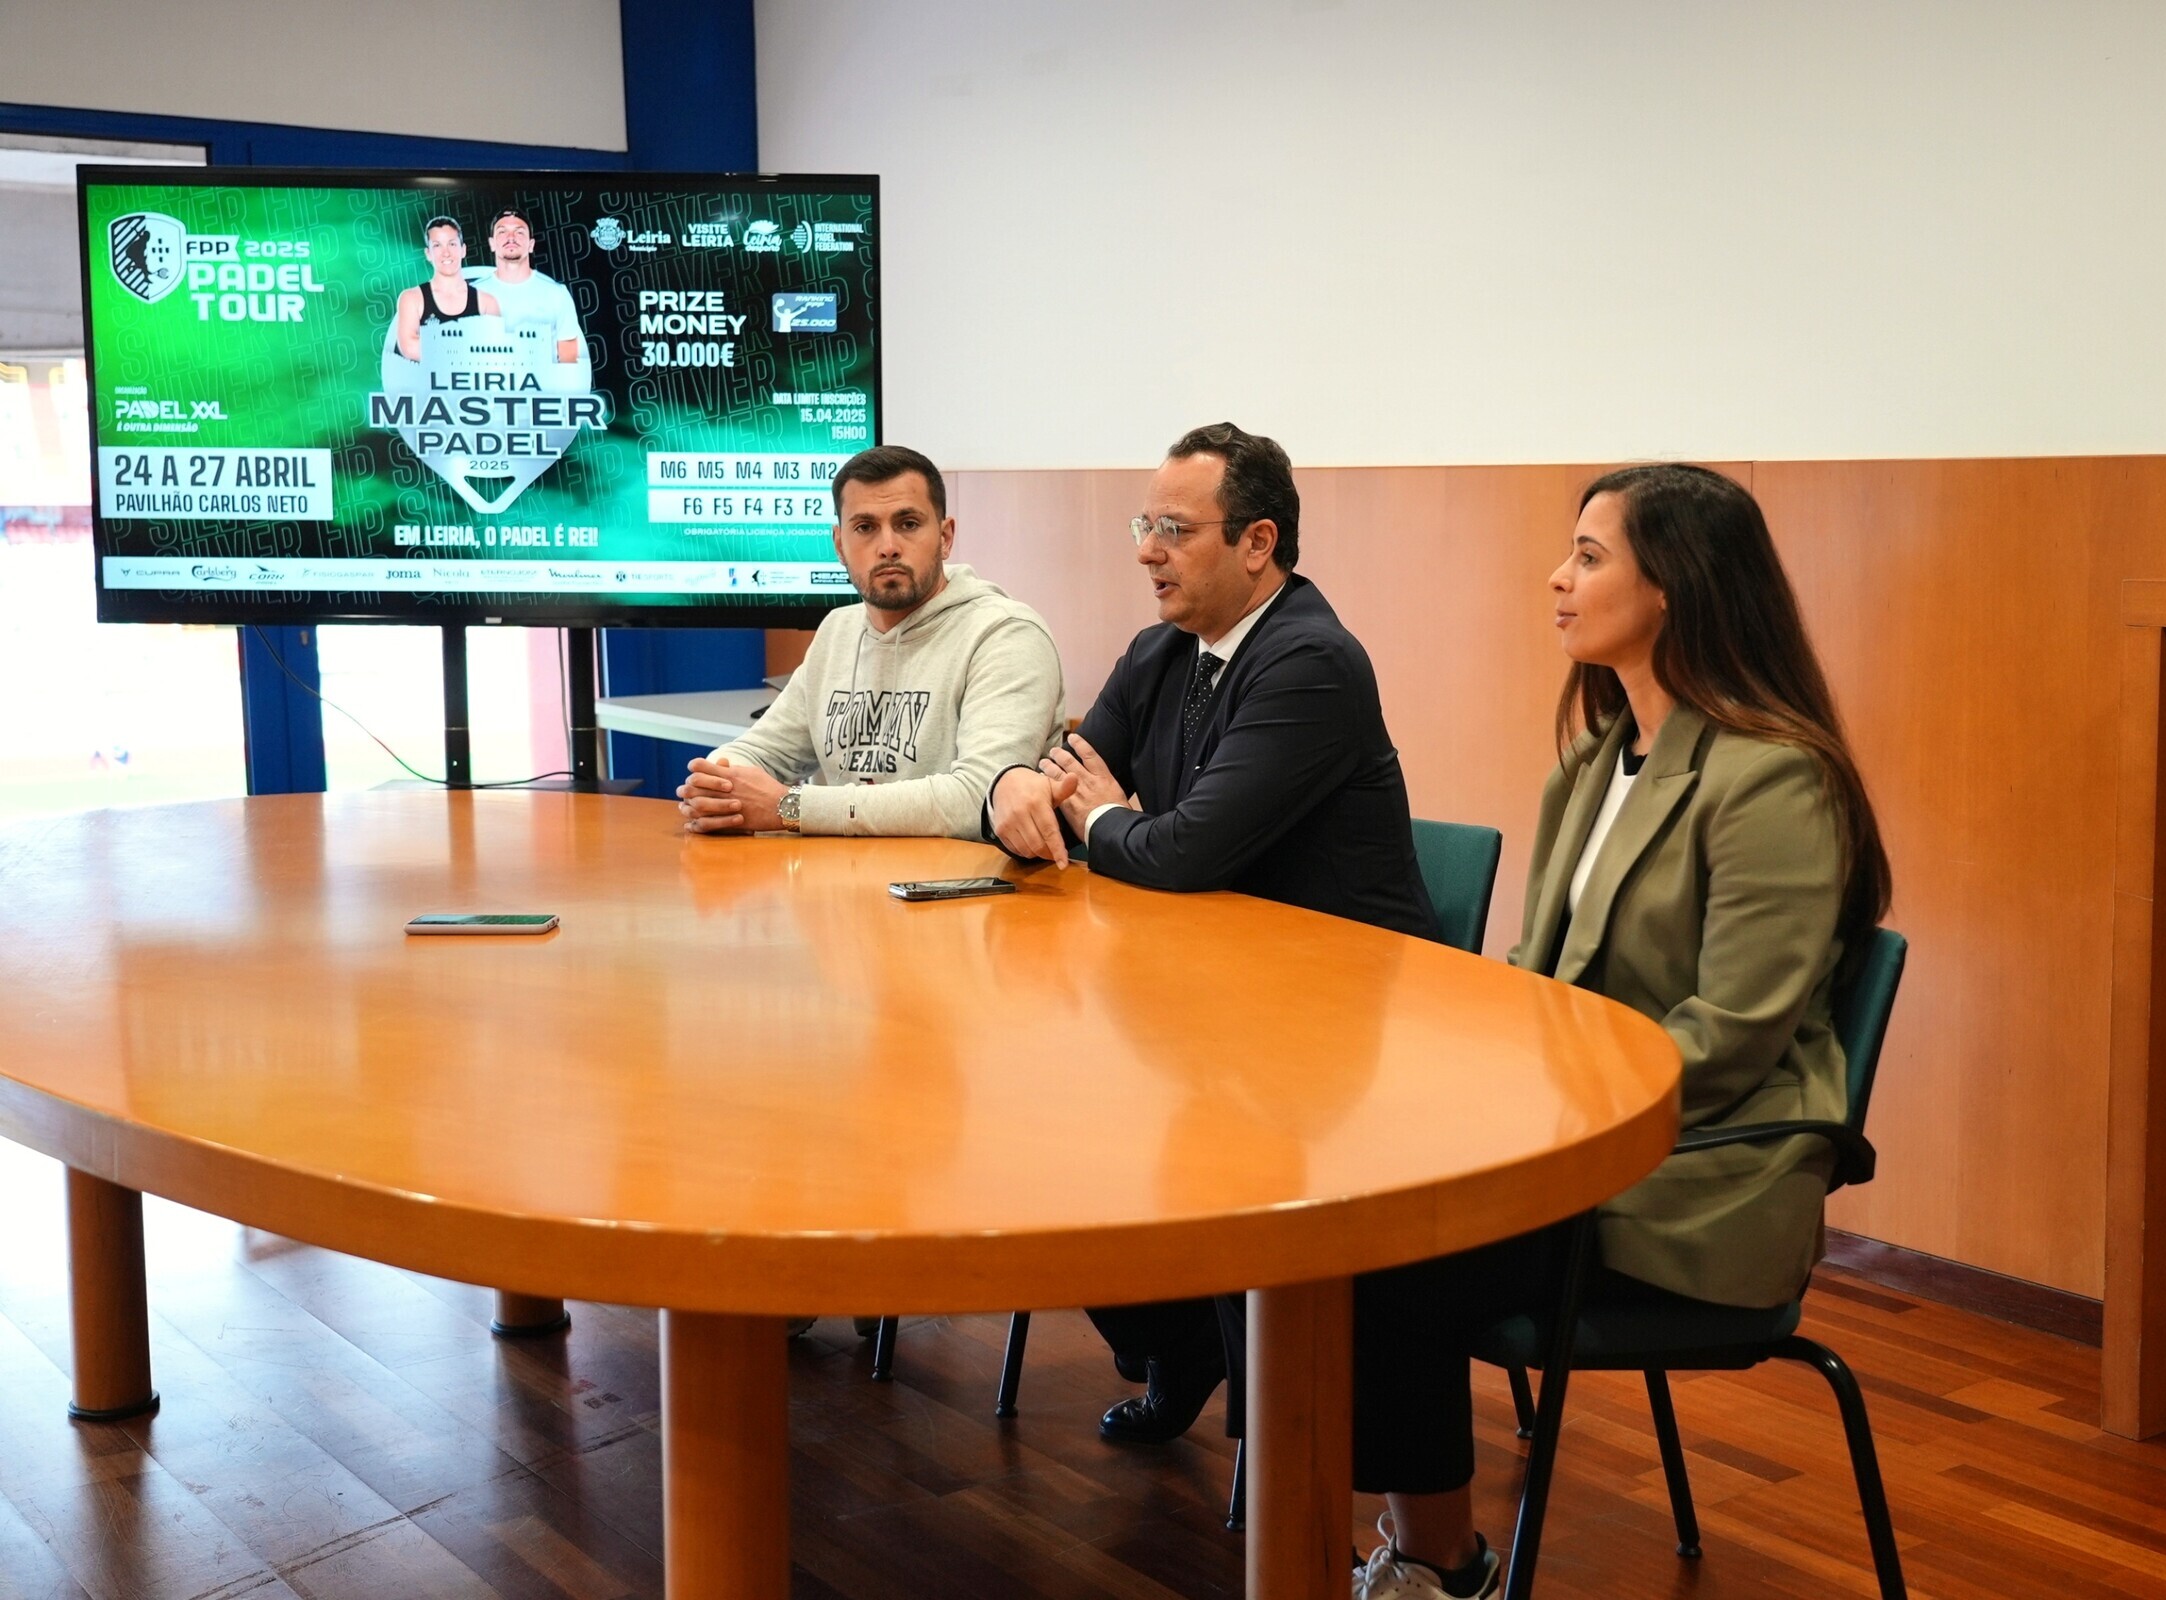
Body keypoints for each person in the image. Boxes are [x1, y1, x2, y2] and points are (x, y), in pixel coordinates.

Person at [1345, 463, 1893, 1599]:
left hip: (1697, 1175)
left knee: (1376, 1260)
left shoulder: (1775, 780)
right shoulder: (1598, 759)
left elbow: (1730, 1039)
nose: (1557, 576)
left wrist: (1522, 1104)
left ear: (1674, 590)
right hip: (1574, 1148)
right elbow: (1541, 985)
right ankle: (1398, 1548)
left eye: (1590, 556)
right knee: (1331, 1234)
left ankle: (1435, 1565)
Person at [987, 421, 1436, 1445]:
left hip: (1330, 1031)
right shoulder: (1162, 650)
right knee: (1045, 1121)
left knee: (1102, 1123)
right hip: (1207, 1001)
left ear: (1257, 543)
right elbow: (1058, 798)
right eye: (1144, 524)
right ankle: (1177, 1343)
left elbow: (1184, 853)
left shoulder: (1311, 660)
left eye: (1174, 528)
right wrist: (1016, 783)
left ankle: (1233, 1366)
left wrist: (1104, 818)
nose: (1146, 549)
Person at [677, 444, 1068, 842]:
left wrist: (791, 808)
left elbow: (981, 798)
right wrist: (718, 787)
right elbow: (760, 751)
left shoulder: (1006, 633)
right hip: (842, 889)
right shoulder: (837, 630)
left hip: (967, 893)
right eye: (865, 527)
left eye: (908, 523)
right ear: (839, 545)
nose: (888, 546)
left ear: (946, 537)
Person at [463, 209, 584, 369]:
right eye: (502, 232)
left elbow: (569, 358)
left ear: (531, 245)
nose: (511, 237)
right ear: (492, 244)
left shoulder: (556, 294)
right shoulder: (470, 295)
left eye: (519, 232)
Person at [392, 216, 498, 362]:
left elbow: (494, 351)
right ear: (428, 253)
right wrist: (469, 347)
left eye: (452, 244)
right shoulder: (411, 299)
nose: (446, 252)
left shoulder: (487, 302)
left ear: (463, 250)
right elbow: (409, 347)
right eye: (437, 245)